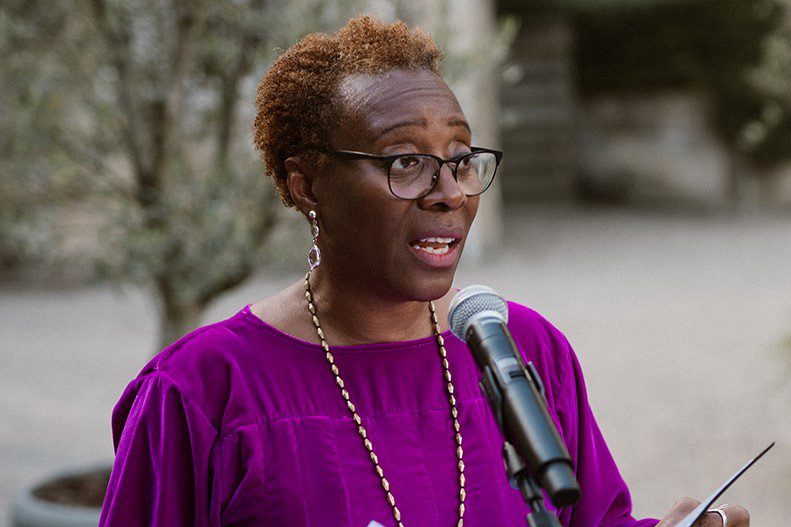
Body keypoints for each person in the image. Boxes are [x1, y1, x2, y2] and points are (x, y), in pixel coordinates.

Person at [98, 15, 749, 527]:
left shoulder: (521, 349)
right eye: (403, 161)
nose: (448, 191)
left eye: (460, 158)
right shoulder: (201, 391)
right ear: (305, 185)